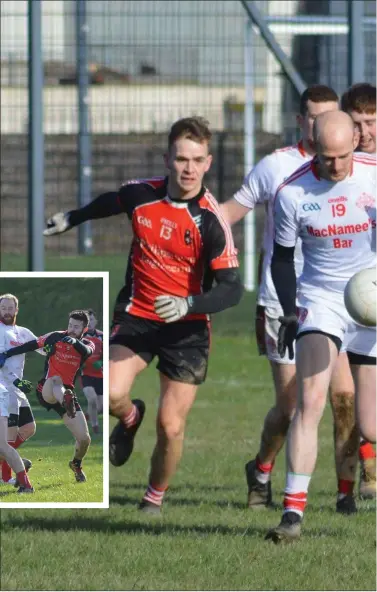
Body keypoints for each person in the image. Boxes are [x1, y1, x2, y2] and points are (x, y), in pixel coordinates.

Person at [43, 115, 243, 514]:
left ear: (208, 164)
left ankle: (153, 497)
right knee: (111, 393)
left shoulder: (211, 219)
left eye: (197, 160)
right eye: (181, 158)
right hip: (137, 315)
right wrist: (73, 217)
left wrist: (189, 304)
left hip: (186, 330)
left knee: (171, 426)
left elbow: (232, 288)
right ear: (167, 158)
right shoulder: (141, 195)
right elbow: (110, 202)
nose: (189, 168)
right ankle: (130, 417)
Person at [221, 85, 359, 514]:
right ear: (303, 123)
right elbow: (228, 213)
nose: (323, 126)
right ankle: (261, 468)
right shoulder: (277, 168)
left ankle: (345, 492)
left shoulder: (357, 170)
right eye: (315, 118)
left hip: (343, 300)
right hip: (284, 301)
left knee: (343, 398)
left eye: (332, 116)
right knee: (292, 404)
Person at [265, 110, 376, 543]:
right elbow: (280, 257)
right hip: (322, 300)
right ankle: (292, 516)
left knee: (368, 426)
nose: (335, 166)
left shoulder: (371, 176)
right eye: (326, 157)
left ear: (356, 141)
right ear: (312, 142)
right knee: (310, 401)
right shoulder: (291, 191)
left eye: (342, 156)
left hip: (370, 299)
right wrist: (292, 312)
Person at [0, 310, 94, 483]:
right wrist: (7, 354)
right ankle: (66, 399)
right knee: (57, 380)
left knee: (84, 439)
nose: (72, 329)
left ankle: (76, 463)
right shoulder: (55, 336)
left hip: (67, 394)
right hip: (47, 389)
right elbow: (31, 345)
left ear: (84, 329)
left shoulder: (87, 343)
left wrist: (74, 342)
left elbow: (87, 351)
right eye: (70, 325)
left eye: (77, 327)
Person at [341, 82, 376, 499]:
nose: (365, 130)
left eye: (371, 121)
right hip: (352, 303)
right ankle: (349, 486)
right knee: (347, 404)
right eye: (357, 122)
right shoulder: (337, 169)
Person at [0, 294, 40, 493]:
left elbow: (40, 346)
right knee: (7, 439)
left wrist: (57, 344)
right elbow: (1, 362)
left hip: (17, 390)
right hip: (5, 390)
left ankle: (7, 461)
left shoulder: (23, 332)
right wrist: (16, 381)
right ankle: (7, 476)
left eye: (10, 308)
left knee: (29, 428)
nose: (7, 311)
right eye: (3, 308)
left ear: (17, 310)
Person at [81, 309, 103, 434]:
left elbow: (110, 354)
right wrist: (80, 364)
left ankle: (88, 415)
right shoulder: (79, 337)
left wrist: (102, 362)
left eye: (91, 320)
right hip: (86, 375)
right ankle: (95, 427)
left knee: (101, 407)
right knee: (92, 399)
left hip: (100, 375)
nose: (89, 323)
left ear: (96, 322)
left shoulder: (102, 336)